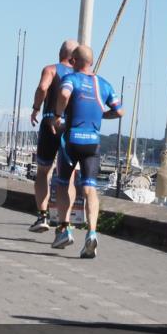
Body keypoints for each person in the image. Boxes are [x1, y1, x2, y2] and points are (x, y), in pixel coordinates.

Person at [49, 44, 123, 256]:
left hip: (71, 140)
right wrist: (102, 116)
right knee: (90, 189)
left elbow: (64, 95)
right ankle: (91, 233)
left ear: (73, 62)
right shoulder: (104, 84)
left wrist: (58, 115)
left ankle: (65, 229)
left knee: (64, 184)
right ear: (91, 62)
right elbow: (120, 111)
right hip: (93, 142)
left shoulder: (71, 79)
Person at [27, 40, 80, 233]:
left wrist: (35, 108)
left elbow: (42, 88)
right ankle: (65, 224)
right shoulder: (80, 76)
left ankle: (42, 216)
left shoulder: (50, 69)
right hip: (72, 128)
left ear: (60, 53)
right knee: (69, 178)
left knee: (43, 172)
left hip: (50, 124)